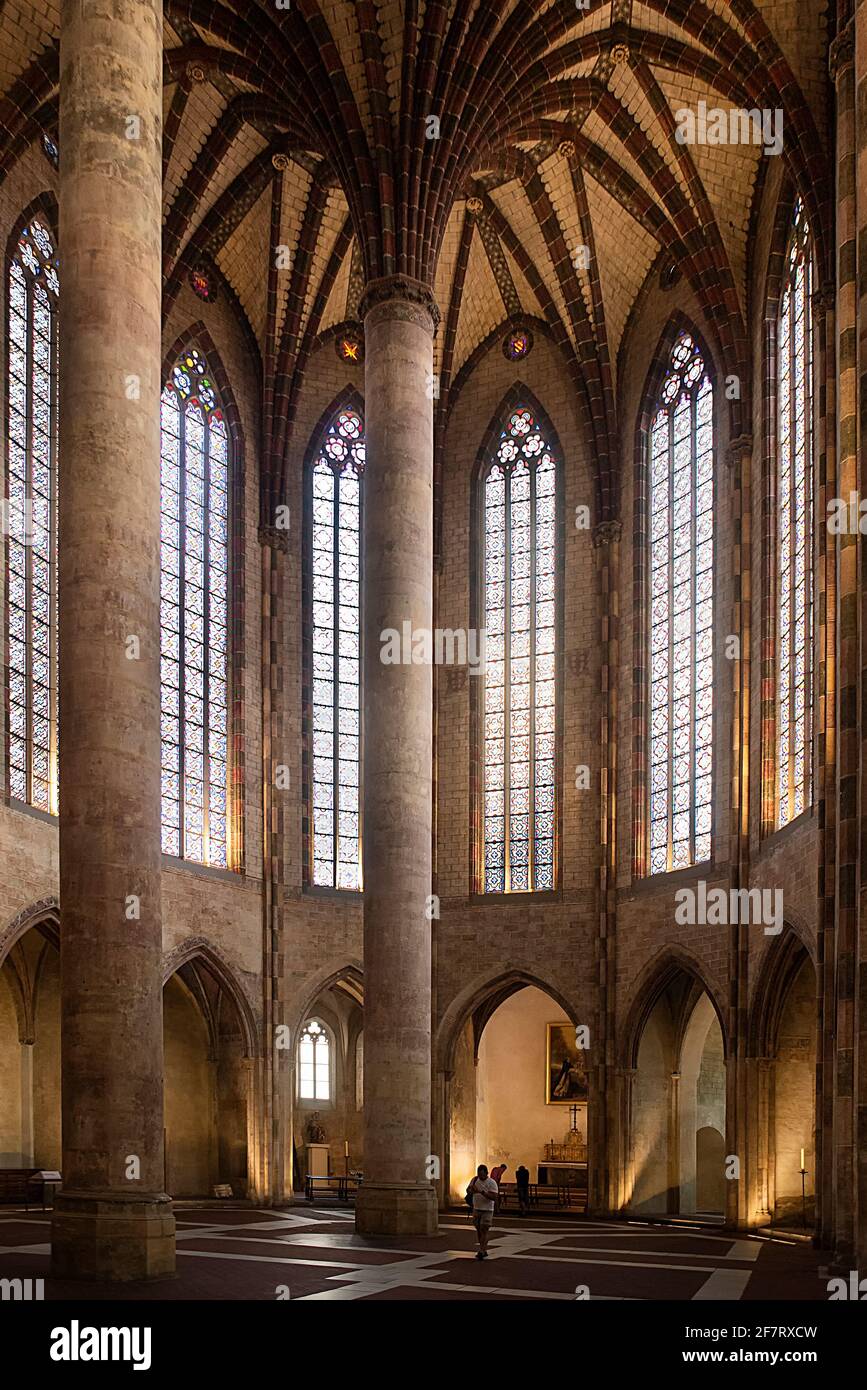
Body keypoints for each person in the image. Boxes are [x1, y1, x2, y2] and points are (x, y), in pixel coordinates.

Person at [467, 1163, 498, 1259]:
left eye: (482, 1174)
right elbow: (468, 1190)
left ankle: (481, 1250)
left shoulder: (492, 1182)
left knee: (484, 1229)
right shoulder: (475, 1179)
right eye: (479, 1174)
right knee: (479, 1230)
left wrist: (481, 1192)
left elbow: (494, 1197)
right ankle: (483, 1248)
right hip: (476, 1208)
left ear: (486, 1173)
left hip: (487, 1210)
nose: (480, 1176)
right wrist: (471, 1190)